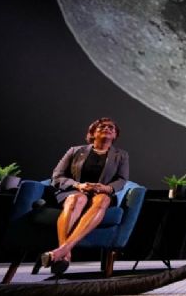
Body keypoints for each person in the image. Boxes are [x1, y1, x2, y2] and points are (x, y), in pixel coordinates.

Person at [41, 117, 129, 276]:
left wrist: (107, 188)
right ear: (93, 133)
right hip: (73, 191)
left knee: (102, 199)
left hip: (101, 193)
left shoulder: (121, 155)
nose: (107, 129)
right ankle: (65, 252)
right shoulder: (75, 151)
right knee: (78, 199)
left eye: (111, 127)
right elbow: (57, 176)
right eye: (102, 127)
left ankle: (62, 251)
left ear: (115, 135)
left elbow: (122, 180)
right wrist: (78, 186)